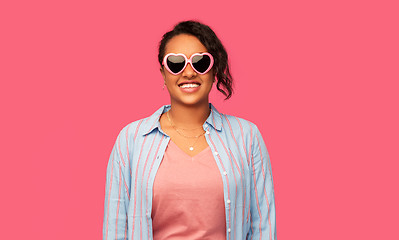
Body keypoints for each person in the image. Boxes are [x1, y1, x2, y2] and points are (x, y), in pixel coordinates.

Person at [103, 20, 276, 240]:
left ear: (214, 72)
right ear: (163, 74)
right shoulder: (131, 139)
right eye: (175, 63)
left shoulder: (247, 137)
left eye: (200, 62)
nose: (188, 72)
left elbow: (263, 227)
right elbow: (116, 229)